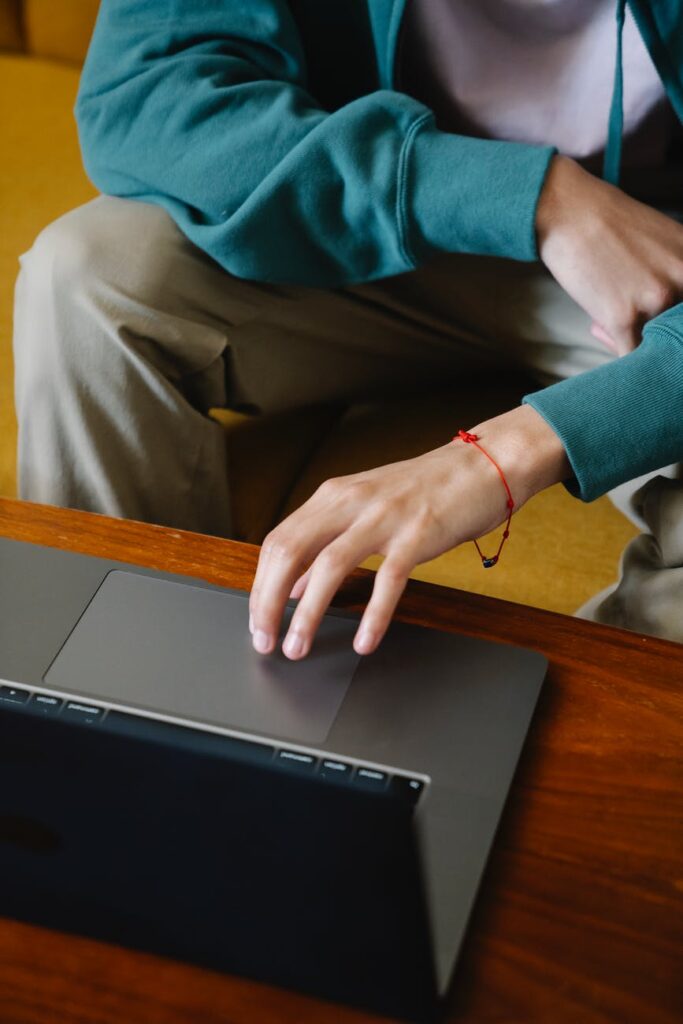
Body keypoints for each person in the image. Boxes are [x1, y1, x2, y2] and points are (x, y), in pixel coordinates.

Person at [13, 0, 683, 659]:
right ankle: (112, 698)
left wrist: (504, 455)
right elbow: (148, 95)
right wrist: (534, 199)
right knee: (85, 280)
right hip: (364, 224)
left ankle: (567, 758)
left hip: (656, 266)